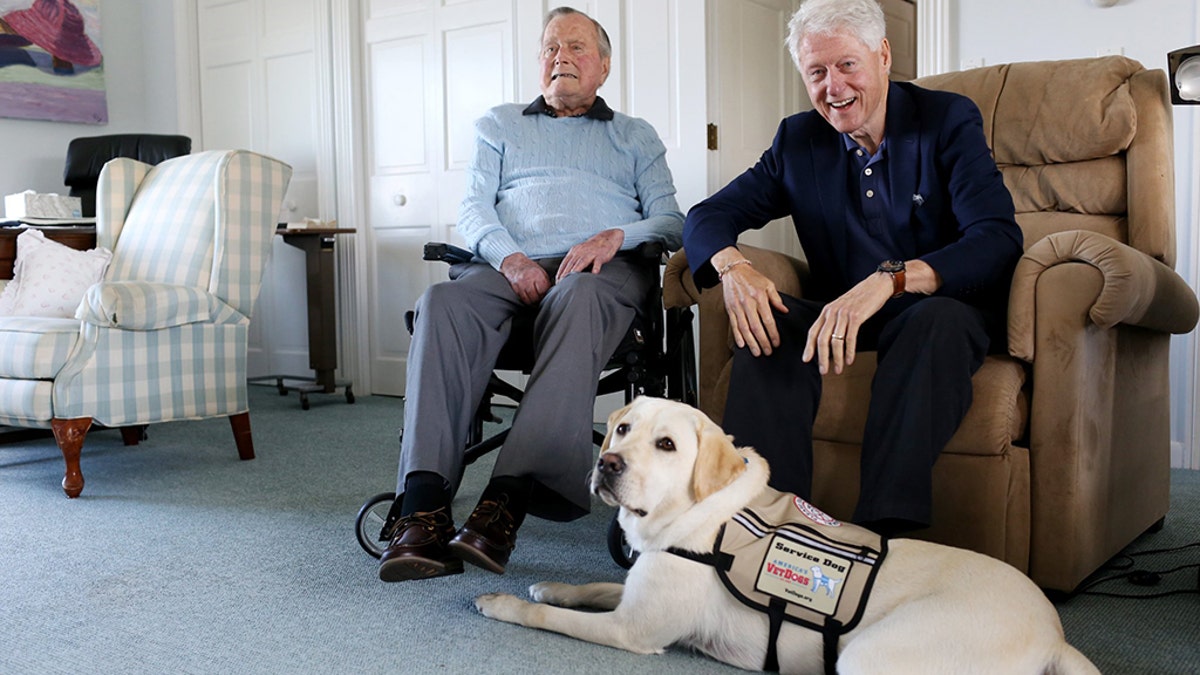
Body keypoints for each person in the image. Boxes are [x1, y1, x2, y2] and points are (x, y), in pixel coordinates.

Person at [682, 0, 1023, 537]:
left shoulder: (947, 120)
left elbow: (997, 239)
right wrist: (733, 268)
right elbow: (707, 216)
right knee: (766, 323)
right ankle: (764, 522)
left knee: (935, 322)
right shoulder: (799, 141)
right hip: (840, 317)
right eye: (816, 72)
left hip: (935, 309)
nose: (832, 87)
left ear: (883, 56)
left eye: (846, 65)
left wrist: (892, 278)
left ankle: (885, 530)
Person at [379, 6, 684, 582]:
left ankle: (505, 502)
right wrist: (509, 256)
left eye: (576, 47)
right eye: (549, 48)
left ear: (604, 65)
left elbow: (672, 220)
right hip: (510, 267)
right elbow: (473, 207)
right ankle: (422, 507)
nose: (560, 57)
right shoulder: (498, 124)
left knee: (580, 297)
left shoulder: (634, 135)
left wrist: (617, 235)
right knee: (440, 304)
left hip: (601, 271)